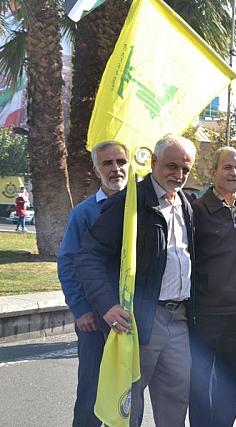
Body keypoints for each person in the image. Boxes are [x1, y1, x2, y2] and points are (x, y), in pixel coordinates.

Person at [75, 135, 197, 427]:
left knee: (175, 402)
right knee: (128, 405)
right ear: (154, 162)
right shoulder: (127, 203)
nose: (179, 174)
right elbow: (88, 257)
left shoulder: (186, 203)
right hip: (141, 321)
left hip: (179, 319)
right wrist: (106, 305)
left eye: (185, 169)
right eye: (171, 166)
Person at [58, 141, 128, 427]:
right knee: (92, 390)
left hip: (132, 317)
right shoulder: (84, 213)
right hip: (95, 320)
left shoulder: (140, 209)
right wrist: (81, 309)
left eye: (121, 162)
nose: (116, 168)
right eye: (107, 163)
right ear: (97, 169)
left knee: (128, 395)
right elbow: (68, 262)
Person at [190, 147, 236, 427]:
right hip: (206, 317)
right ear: (212, 172)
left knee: (230, 389)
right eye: (227, 167)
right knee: (200, 389)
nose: (234, 173)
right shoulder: (196, 211)